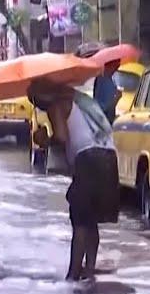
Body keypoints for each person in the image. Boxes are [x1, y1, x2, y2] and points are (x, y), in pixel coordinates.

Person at [29, 78, 119, 281]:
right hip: (109, 157)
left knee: (79, 220)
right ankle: (89, 271)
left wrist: (45, 139)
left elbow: (61, 138)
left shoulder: (56, 105)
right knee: (91, 218)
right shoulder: (82, 100)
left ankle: (73, 275)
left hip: (88, 159)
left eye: (34, 99)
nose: (36, 105)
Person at [92, 60, 122, 124]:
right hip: (104, 120)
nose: (116, 69)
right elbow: (103, 107)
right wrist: (116, 98)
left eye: (118, 66)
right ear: (108, 65)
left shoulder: (109, 79)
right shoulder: (103, 81)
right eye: (115, 66)